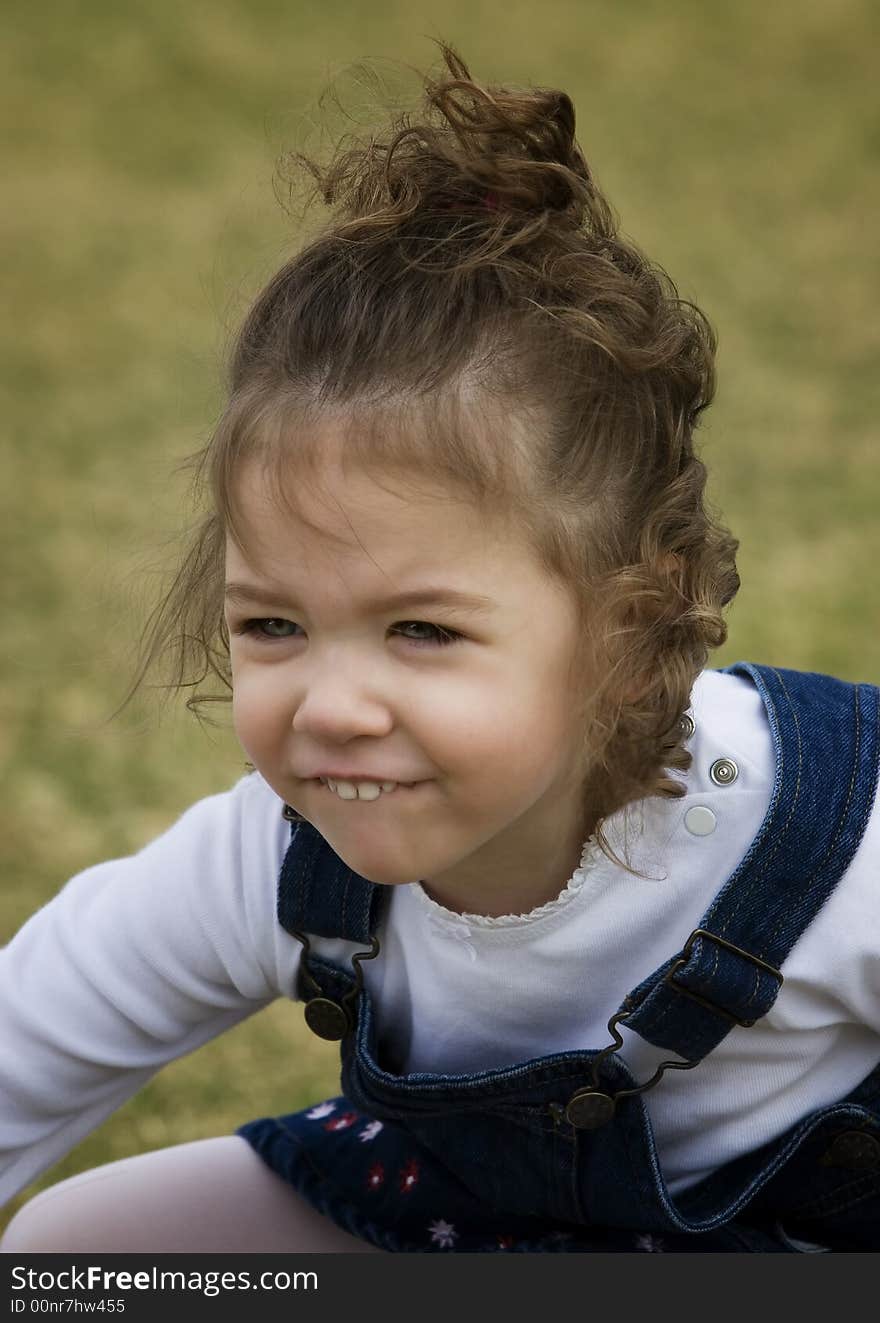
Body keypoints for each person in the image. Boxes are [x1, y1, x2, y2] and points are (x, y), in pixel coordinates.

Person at [2, 39, 878, 1255]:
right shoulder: (278, 864)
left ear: (631, 624)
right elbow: (26, 1043)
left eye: (421, 631)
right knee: (81, 1253)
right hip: (480, 1238)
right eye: (274, 626)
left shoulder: (840, 854)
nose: (332, 705)